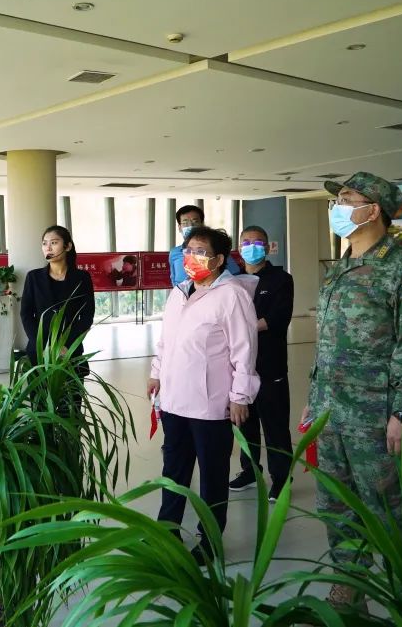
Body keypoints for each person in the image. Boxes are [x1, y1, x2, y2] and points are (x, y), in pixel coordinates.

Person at [303, 172, 402, 611]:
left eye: (347, 199)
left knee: (390, 514)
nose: (338, 207)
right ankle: (348, 590)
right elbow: (329, 344)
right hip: (331, 413)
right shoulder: (341, 267)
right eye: (337, 200)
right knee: (336, 505)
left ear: (373, 210)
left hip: (376, 419)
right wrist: (313, 402)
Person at [147, 226, 260, 564]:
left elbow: (244, 350)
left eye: (200, 251)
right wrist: (156, 373)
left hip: (210, 405)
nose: (191, 257)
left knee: (212, 476)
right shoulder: (179, 291)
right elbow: (166, 341)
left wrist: (240, 396)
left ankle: (210, 541)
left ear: (219, 259)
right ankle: (167, 529)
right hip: (174, 400)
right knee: (174, 470)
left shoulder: (232, 295)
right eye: (188, 250)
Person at [228, 226, 295, 502]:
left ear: (268, 248)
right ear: (239, 248)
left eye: (258, 242)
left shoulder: (281, 279)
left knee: (275, 426)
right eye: (246, 242)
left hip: (270, 365)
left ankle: (281, 478)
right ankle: (250, 471)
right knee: (245, 423)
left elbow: (278, 318)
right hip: (241, 368)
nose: (252, 247)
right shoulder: (232, 281)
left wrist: (241, 329)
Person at [20, 226, 95, 376]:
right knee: (39, 391)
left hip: (70, 351)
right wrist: (42, 345)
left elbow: (87, 316)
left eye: (54, 243)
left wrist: (67, 345)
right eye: (44, 243)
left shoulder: (82, 278)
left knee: (72, 391)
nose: (48, 248)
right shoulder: (33, 277)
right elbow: (26, 314)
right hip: (39, 353)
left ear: (68, 246)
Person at [169, 205, 242, 286]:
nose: (190, 225)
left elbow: (234, 274)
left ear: (202, 224)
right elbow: (174, 279)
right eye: (185, 223)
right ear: (179, 227)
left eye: (195, 221)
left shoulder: (215, 249)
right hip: (183, 293)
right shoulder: (174, 253)